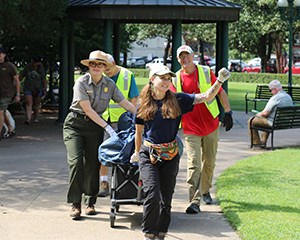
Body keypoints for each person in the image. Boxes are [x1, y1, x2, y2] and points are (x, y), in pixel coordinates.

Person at [130, 65, 230, 240]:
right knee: (152, 193)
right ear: (152, 79)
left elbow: (206, 96)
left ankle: (161, 232)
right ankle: (148, 232)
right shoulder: (142, 105)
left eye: (169, 79)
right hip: (149, 155)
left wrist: (219, 80)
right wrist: (137, 153)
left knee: (166, 197)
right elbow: (138, 133)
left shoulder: (178, 100)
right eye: (163, 78)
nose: (166, 82)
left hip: (170, 155)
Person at [63, 50, 136, 219]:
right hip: (75, 124)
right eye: (93, 64)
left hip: (94, 127)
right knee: (75, 162)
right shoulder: (81, 82)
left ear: (105, 67)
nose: (96, 67)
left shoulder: (109, 84)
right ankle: (75, 204)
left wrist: (142, 116)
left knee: (93, 164)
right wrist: (107, 127)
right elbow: (87, 109)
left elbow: (124, 102)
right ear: (89, 66)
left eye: (100, 64)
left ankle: (90, 202)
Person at [174, 45, 233, 213]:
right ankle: (194, 201)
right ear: (178, 59)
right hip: (190, 127)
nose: (184, 59)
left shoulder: (206, 72)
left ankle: (205, 190)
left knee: (210, 162)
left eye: (187, 55)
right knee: (194, 164)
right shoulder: (176, 78)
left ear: (193, 56)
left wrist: (228, 112)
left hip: (210, 125)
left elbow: (220, 92)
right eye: (181, 57)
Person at [98, 53, 139, 197]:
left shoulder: (127, 75)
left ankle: (122, 183)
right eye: (104, 69)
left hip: (121, 121)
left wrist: (133, 119)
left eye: (108, 68)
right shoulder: (100, 76)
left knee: (120, 152)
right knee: (102, 151)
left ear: (114, 63)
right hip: (103, 119)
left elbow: (134, 98)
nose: (106, 71)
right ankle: (104, 183)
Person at [248, 79, 293, 149]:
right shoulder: (288, 97)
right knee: (266, 119)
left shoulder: (275, 98)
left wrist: (258, 114)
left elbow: (265, 113)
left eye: (270, 90)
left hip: (274, 123)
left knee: (251, 121)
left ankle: (256, 144)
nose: (271, 92)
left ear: (275, 89)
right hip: (286, 122)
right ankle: (263, 142)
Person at [0, 47, 20, 140]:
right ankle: (11, 129)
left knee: (0, 112)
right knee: (3, 113)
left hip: (6, 93)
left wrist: (17, 94)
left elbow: (17, 80)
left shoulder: (9, 66)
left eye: (0, 53)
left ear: (4, 55)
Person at [19, 57, 47, 124]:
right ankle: (28, 119)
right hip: (28, 87)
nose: (35, 64)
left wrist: (45, 89)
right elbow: (21, 76)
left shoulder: (41, 69)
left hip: (38, 88)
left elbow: (44, 80)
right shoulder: (27, 67)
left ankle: (36, 118)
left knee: (36, 104)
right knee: (29, 103)